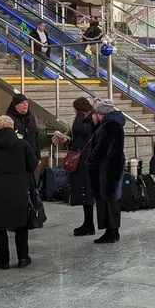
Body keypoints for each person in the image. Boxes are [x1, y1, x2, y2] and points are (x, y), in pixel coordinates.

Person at [0, 115, 38, 269]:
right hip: (19, 188)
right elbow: (32, 165)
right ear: (12, 127)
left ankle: (3, 261)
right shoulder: (22, 144)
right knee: (21, 225)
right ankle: (23, 258)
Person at [51, 97, 98, 235]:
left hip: (85, 162)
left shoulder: (85, 123)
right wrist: (67, 138)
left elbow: (79, 135)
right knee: (85, 191)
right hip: (86, 160)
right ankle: (88, 223)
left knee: (85, 191)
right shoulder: (89, 121)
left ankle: (89, 224)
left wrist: (78, 118)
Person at [86, 98, 126, 244]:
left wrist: (90, 160)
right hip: (113, 166)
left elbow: (102, 148)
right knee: (111, 199)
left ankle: (111, 232)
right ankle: (112, 231)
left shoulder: (109, 126)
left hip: (107, 168)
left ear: (101, 113)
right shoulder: (112, 124)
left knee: (107, 200)